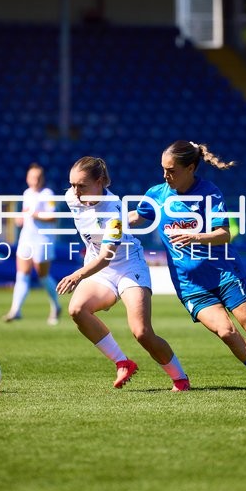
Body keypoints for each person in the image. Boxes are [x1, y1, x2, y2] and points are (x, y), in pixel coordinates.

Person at [128, 140, 246, 393]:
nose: (165, 175)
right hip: (190, 283)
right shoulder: (156, 195)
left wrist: (195, 237)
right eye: (163, 169)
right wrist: (113, 218)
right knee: (226, 331)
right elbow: (137, 217)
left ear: (191, 168)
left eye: (171, 170)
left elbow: (224, 234)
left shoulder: (209, 192)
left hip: (224, 273)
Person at [56, 156, 190, 391]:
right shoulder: (72, 198)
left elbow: (107, 256)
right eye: (72, 185)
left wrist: (77, 275)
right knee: (77, 309)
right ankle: (123, 362)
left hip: (128, 266)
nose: (75, 191)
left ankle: (180, 378)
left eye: (81, 186)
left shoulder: (113, 211)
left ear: (100, 183)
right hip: (100, 272)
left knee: (142, 332)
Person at [2, 163, 61, 325]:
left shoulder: (48, 194)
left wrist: (34, 215)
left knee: (43, 276)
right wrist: (20, 218)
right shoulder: (26, 193)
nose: (35, 180)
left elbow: (54, 217)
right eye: (32, 177)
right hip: (27, 238)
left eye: (38, 177)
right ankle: (15, 310)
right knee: (22, 274)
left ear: (42, 179)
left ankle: (56, 306)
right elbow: (25, 212)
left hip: (43, 239)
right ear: (27, 179)